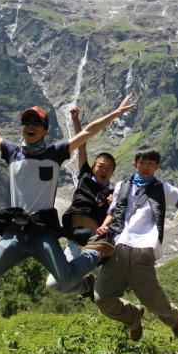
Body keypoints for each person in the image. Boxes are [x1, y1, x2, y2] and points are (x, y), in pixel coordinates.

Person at [0, 90, 135, 292]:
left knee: (65, 280)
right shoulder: (13, 152)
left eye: (36, 123)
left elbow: (87, 132)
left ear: (46, 131)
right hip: (16, 231)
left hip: (42, 232)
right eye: (27, 122)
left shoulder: (54, 153)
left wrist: (116, 113)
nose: (30, 126)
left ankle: (95, 252)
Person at [92, 147, 178, 342]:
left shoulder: (163, 189)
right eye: (143, 162)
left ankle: (173, 318)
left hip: (143, 251)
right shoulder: (121, 186)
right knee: (102, 298)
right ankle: (132, 316)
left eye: (151, 164)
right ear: (135, 164)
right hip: (117, 248)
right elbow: (113, 211)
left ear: (157, 167)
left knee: (156, 304)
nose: (146, 167)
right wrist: (103, 226)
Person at [44, 105, 117, 297]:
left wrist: (113, 202)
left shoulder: (114, 193)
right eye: (101, 166)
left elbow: (118, 216)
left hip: (94, 245)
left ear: (112, 172)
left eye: (108, 168)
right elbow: (81, 144)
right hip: (73, 244)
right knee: (53, 285)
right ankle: (86, 287)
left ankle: (129, 308)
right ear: (93, 167)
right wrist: (76, 119)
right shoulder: (84, 175)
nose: (104, 170)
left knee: (112, 291)